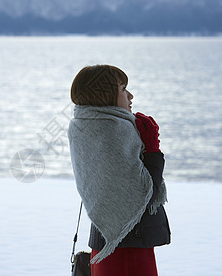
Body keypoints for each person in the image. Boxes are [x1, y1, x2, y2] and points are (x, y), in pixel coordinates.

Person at [68, 65, 170, 276]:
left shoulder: (84, 124)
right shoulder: (114, 131)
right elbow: (144, 195)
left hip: (107, 238)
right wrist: (152, 148)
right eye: (123, 89)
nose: (130, 96)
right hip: (126, 246)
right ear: (104, 94)